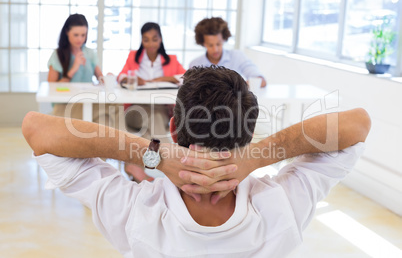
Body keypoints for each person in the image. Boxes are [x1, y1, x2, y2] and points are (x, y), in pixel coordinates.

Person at [23, 66, 371, 257]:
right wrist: (255, 158)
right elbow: (357, 123)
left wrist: (153, 154)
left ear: (173, 127)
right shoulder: (281, 206)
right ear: (247, 135)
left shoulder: (136, 211)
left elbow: (36, 128)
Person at [118, 22, 186, 182]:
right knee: (153, 117)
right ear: (142, 41)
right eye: (146, 39)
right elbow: (120, 76)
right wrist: (131, 78)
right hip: (135, 112)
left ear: (160, 39)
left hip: (161, 109)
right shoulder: (133, 57)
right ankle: (174, 167)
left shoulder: (171, 60)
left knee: (150, 127)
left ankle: (134, 166)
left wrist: (162, 78)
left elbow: (186, 76)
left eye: (154, 39)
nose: (150, 43)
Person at [47, 13, 119, 127]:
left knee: (110, 113)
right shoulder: (57, 55)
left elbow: (101, 78)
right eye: (76, 35)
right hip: (65, 104)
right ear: (67, 32)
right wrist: (73, 69)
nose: (80, 39)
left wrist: (108, 77)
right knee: (106, 113)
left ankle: (109, 143)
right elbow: (51, 88)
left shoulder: (90, 53)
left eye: (83, 35)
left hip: (87, 102)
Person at [189, 17, 267, 88]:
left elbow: (261, 81)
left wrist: (241, 86)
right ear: (203, 43)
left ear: (224, 39)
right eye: (210, 45)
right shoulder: (195, 64)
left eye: (218, 44)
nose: (215, 49)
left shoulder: (237, 56)